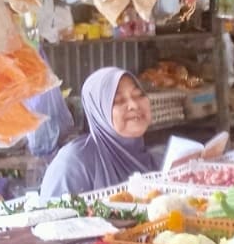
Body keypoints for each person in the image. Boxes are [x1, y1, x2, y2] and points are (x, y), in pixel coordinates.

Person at [39, 67, 156, 198]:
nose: (134, 105)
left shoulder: (157, 160)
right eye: (118, 100)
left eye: (138, 95)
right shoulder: (74, 164)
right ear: (99, 112)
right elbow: (53, 215)